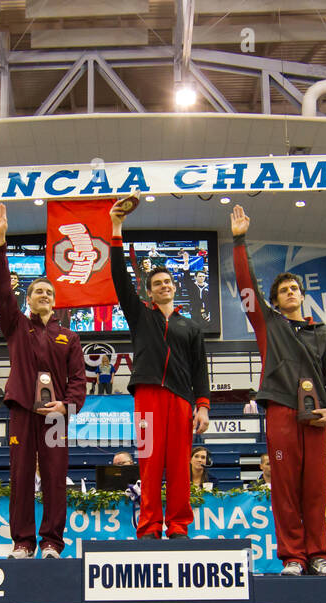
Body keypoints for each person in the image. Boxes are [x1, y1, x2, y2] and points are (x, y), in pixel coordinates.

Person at [231, 204, 326, 574]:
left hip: (317, 417)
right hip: (280, 410)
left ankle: (320, 555)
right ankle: (293, 557)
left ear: (302, 295)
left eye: (296, 288)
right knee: (285, 488)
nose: (291, 292)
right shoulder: (269, 327)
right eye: (284, 290)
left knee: (314, 488)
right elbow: (247, 285)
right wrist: (239, 240)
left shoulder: (324, 333)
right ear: (275, 301)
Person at [111, 194, 211, 539]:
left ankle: (179, 525)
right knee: (150, 464)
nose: (164, 286)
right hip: (148, 397)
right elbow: (120, 279)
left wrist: (203, 406)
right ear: (150, 293)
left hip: (182, 399)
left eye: (168, 282)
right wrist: (116, 229)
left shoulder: (191, 326)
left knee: (180, 469)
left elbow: (200, 369)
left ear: (174, 288)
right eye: (157, 284)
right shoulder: (140, 316)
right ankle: (150, 525)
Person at [0, 203, 86, 559]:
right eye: (37, 293)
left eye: (49, 292)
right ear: (28, 300)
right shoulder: (16, 325)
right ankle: (23, 542)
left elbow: (78, 379)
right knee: (21, 476)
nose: (43, 296)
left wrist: (68, 405)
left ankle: (51, 542)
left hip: (56, 415)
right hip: (21, 410)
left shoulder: (69, 337)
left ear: (56, 302)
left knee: (55, 477)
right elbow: (1, 293)